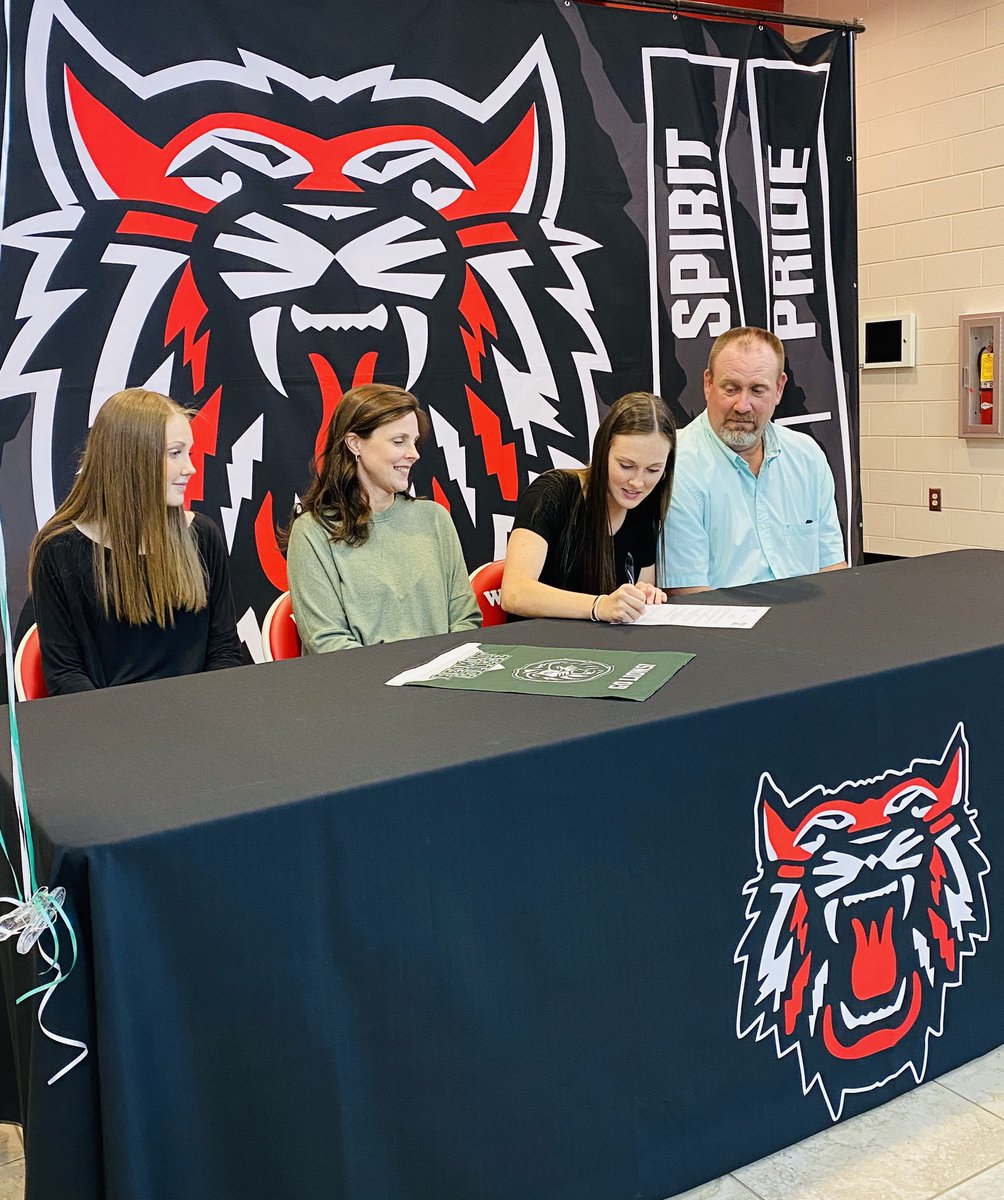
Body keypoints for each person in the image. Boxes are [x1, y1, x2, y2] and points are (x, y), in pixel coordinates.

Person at [29, 389, 243, 694]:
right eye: (175, 453)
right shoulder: (57, 551)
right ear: (132, 458)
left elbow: (224, 651)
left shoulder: (203, 536)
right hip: (108, 730)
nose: (190, 468)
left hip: (199, 720)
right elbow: (65, 675)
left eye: (189, 453)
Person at [284, 383, 480, 652]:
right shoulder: (313, 531)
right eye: (399, 441)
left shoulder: (435, 518)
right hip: (361, 686)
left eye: (414, 441)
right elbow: (326, 641)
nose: (414, 453)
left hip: (440, 682)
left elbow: (465, 620)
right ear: (355, 444)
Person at [662, 327, 847, 593]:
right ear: (708, 384)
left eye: (758, 390)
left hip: (806, 624)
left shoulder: (807, 457)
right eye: (731, 388)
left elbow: (831, 568)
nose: (742, 405)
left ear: (779, 389)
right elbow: (687, 593)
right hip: (720, 628)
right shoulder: (678, 464)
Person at [501, 391, 675, 623]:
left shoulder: (645, 509)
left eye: (653, 470)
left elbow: (642, 585)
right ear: (602, 452)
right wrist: (598, 606)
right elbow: (515, 593)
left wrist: (642, 596)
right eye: (626, 466)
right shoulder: (552, 493)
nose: (637, 482)